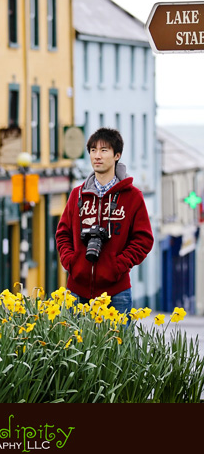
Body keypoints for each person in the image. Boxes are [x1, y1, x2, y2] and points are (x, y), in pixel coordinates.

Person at [56, 127, 154, 316]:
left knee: (116, 345)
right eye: (93, 150)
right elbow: (63, 233)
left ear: (117, 155)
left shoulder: (132, 197)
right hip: (77, 291)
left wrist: (118, 266)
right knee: (75, 344)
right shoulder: (78, 194)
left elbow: (144, 240)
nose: (97, 156)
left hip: (116, 293)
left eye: (104, 150)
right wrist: (71, 262)